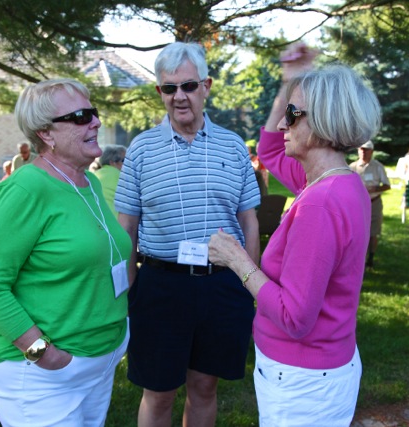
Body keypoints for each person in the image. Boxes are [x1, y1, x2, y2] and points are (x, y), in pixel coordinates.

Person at [208, 43, 381, 426]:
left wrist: (237, 260)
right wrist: (289, 84)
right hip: (323, 371)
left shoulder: (318, 204)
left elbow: (294, 317)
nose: (283, 123)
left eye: (293, 114)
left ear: (322, 121)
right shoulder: (341, 182)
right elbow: (269, 149)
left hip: (302, 384)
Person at [0, 78, 131, 427]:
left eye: (94, 112)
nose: (96, 122)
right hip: (45, 376)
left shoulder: (86, 183)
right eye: (80, 116)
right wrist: (44, 354)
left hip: (98, 362)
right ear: (46, 133)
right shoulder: (25, 189)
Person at [115, 42, 260, 427]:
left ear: (207, 86)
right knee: (158, 393)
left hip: (221, 286)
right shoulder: (141, 149)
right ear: (160, 92)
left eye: (189, 86)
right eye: (169, 88)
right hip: (160, 287)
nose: (180, 96)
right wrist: (131, 289)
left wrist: (252, 282)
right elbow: (126, 226)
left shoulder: (233, 145)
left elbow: (249, 221)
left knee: (204, 388)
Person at [350, 140, 391, 269]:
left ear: (371, 152)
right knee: (356, 231)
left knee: (373, 231)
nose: (363, 152)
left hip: (374, 202)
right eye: (361, 149)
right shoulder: (352, 167)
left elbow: (387, 185)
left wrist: (375, 189)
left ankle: (371, 258)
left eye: (366, 149)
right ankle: (356, 259)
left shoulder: (378, 166)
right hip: (358, 204)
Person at [93, 145, 126, 215]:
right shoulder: (122, 176)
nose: (128, 163)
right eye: (124, 160)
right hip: (116, 221)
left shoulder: (93, 175)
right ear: (112, 162)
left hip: (95, 220)